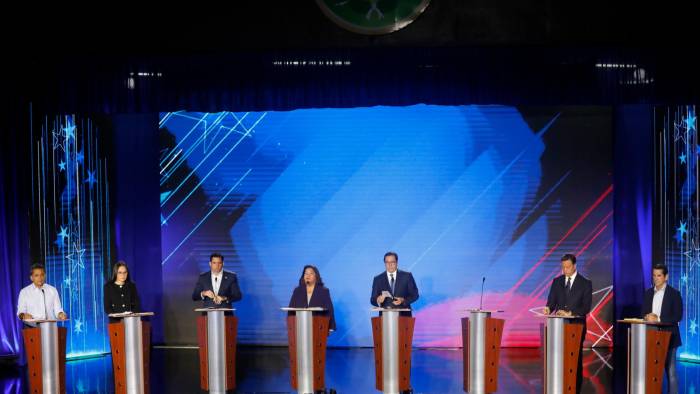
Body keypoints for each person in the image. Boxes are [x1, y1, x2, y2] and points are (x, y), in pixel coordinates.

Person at [543, 253, 592, 394]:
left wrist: (570, 313)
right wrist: (548, 308)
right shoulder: (557, 281)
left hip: (576, 326)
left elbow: (586, 307)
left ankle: (574, 387)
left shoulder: (585, 283)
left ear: (575, 266)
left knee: (574, 359)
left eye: (568, 267)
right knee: (557, 357)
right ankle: (558, 385)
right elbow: (551, 302)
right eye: (563, 267)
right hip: (558, 327)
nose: (565, 270)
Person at [642, 263, 683, 394]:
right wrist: (647, 316)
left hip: (670, 337)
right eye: (654, 275)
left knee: (670, 370)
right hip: (652, 336)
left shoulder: (674, 294)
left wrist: (658, 318)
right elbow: (643, 313)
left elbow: (677, 316)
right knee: (653, 371)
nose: (656, 278)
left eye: (659, 275)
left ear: (666, 277)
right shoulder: (648, 293)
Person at [288, 265, 336, 332]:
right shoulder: (297, 291)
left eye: (311, 273)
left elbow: (329, 310)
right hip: (300, 327)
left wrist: (330, 327)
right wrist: (291, 325)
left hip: (318, 327)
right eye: (306, 273)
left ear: (316, 276)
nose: (308, 275)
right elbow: (291, 309)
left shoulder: (323, 291)